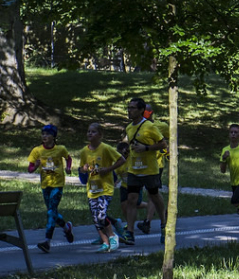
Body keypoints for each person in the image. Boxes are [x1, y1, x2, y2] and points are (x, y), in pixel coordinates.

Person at [123, 98, 167, 245]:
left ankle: (163, 224)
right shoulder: (129, 128)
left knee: (154, 196)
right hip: (134, 169)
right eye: (128, 108)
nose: (130, 111)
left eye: (133, 108)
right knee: (132, 199)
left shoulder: (149, 126)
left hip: (150, 169)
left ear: (141, 110)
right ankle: (130, 232)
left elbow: (163, 143)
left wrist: (146, 148)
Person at [78, 123, 126, 253]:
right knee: (95, 217)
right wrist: (83, 169)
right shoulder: (84, 151)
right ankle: (105, 242)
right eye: (88, 131)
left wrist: (108, 169)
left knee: (100, 214)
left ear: (100, 135)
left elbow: (121, 160)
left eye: (93, 132)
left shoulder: (105, 148)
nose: (90, 134)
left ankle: (112, 236)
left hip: (105, 188)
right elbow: (82, 169)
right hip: (92, 189)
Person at [28, 124, 74, 253]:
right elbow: (30, 169)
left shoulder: (60, 149)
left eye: (47, 134)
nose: (44, 136)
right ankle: (66, 228)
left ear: (53, 136)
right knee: (52, 212)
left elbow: (68, 158)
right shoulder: (37, 150)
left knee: (51, 211)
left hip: (57, 184)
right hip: (45, 185)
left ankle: (47, 242)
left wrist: (68, 167)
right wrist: (36, 166)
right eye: (43, 134)